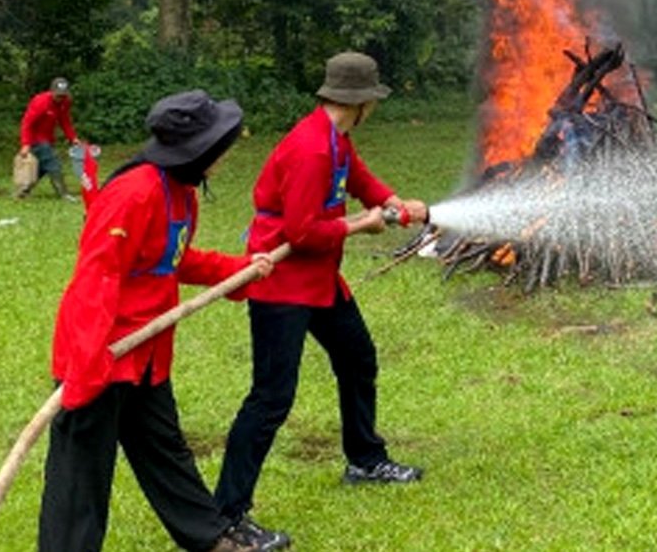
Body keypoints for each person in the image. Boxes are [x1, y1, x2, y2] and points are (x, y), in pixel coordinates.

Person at [38, 90, 279, 552]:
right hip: (101, 351)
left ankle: (208, 537)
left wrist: (237, 270)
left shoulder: (180, 192)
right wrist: (86, 371)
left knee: (164, 448)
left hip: (146, 355)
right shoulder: (134, 193)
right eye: (220, 146)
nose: (224, 155)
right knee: (81, 471)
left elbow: (171, 260)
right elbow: (97, 278)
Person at [214, 52, 430, 542]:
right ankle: (226, 516)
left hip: (319, 281)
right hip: (282, 283)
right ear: (362, 102)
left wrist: (392, 202)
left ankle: (365, 460)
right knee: (271, 398)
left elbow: (359, 179)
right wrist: (360, 225)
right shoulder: (311, 148)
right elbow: (301, 231)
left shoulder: (336, 139)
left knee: (358, 358)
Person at [17, 77, 80, 200]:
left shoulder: (65, 102)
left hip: (48, 139)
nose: (60, 99)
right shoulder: (40, 102)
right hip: (35, 139)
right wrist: (25, 144)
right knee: (53, 163)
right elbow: (27, 123)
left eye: (63, 95)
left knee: (43, 167)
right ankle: (64, 194)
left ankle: (24, 189)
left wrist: (73, 138)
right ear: (52, 92)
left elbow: (65, 121)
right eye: (58, 96)